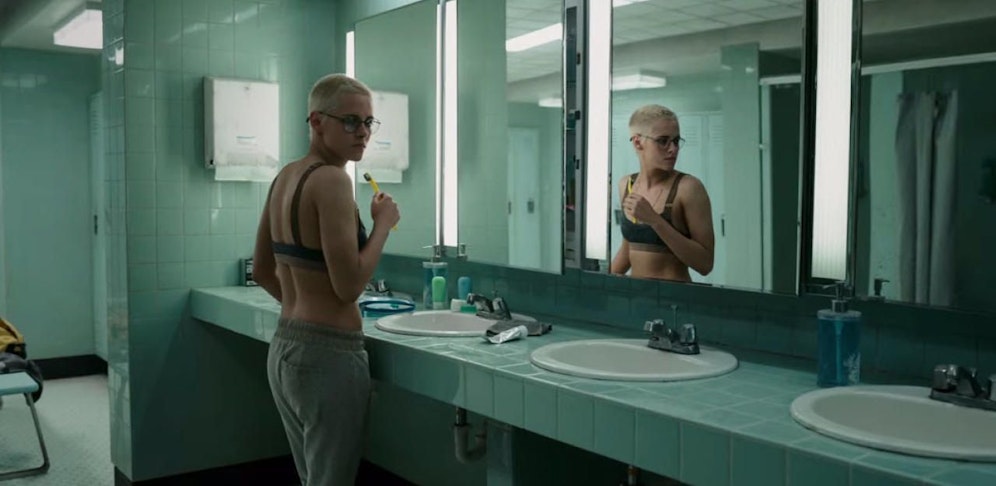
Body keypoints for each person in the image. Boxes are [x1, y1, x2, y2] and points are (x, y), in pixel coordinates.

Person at [252, 73, 400, 486]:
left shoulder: (285, 176)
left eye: (368, 122)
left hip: (285, 348)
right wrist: (382, 226)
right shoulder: (333, 180)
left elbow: (262, 269)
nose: (363, 132)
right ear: (317, 122)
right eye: (350, 121)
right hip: (328, 357)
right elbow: (348, 287)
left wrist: (302, 313)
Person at [610, 104, 714, 282]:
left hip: (673, 296)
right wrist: (598, 285)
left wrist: (655, 221)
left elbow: (705, 264)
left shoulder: (688, 188)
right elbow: (629, 247)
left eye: (676, 141)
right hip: (635, 295)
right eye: (663, 141)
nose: (673, 149)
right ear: (637, 142)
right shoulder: (626, 184)